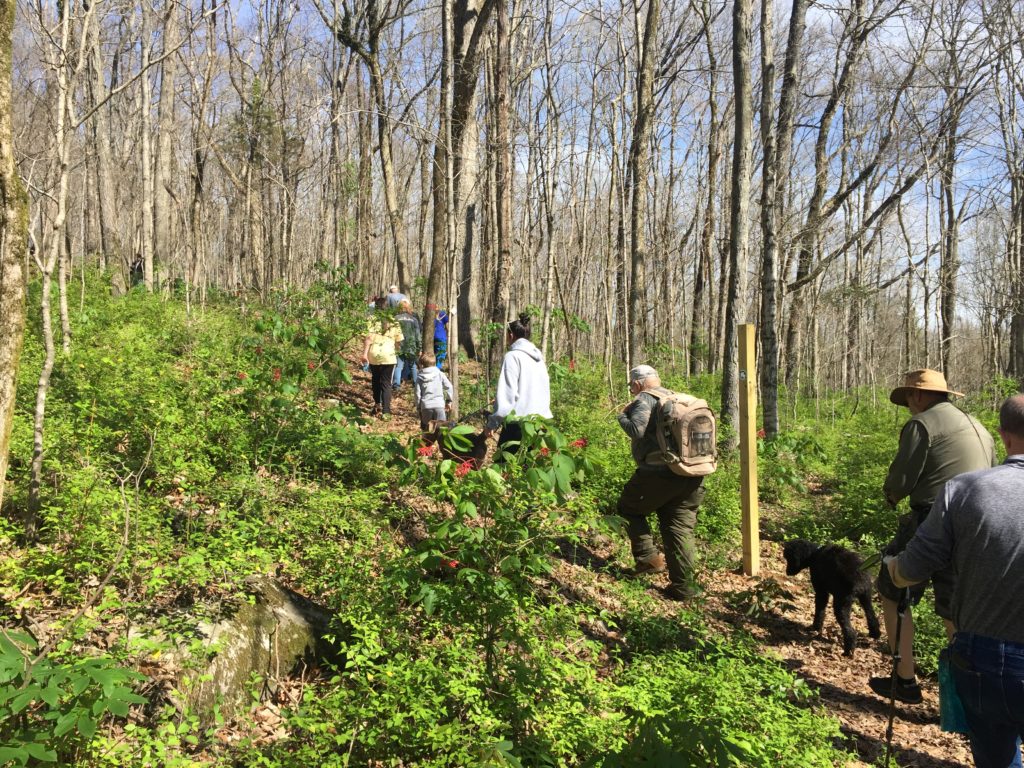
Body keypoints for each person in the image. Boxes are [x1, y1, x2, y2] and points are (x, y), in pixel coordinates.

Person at [882, 394, 1024, 768]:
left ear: (1005, 435)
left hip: (990, 659)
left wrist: (894, 565)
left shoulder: (960, 484)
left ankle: (906, 678)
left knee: (894, 593)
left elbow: (912, 566)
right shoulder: (972, 425)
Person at [868, 368, 996, 704]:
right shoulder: (979, 427)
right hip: (979, 525)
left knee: (892, 584)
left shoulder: (921, 424)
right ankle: (969, 695)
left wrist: (891, 496)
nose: (909, 404)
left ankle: (905, 678)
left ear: (919, 395)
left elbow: (903, 476)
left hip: (933, 519)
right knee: (957, 606)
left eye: (909, 397)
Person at [614, 365, 705, 602]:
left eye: (631, 385)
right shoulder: (674, 396)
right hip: (692, 473)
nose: (631, 389)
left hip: (659, 473)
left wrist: (621, 415)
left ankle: (648, 559)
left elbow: (636, 429)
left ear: (638, 383)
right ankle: (684, 588)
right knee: (678, 528)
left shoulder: (645, 399)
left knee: (628, 508)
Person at [484, 313, 552, 454]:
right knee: (528, 470)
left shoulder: (512, 357)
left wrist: (492, 424)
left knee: (503, 468)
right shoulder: (539, 359)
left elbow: (507, 397)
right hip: (540, 424)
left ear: (510, 335)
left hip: (518, 425)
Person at [359, 301, 403, 418]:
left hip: (374, 355)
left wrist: (364, 354)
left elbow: (367, 340)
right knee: (386, 384)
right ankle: (386, 411)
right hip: (389, 356)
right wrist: (396, 351)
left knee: (376, 380)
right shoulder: (394, 322)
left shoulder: (371, 321)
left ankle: (377, 404)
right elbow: (399, 341)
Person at [414, 353, 454, 431]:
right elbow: (449, 387)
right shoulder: (440, 374)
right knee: (441, 431)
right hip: (439, 405)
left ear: (422, 365)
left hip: (426, 407)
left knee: (427, 432)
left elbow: (417, 394)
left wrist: (419, 407)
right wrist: (449, 401)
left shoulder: (419, 377)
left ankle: (427, 443)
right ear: (435, 363)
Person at [393, 300, 422, 391]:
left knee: (399, 366)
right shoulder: (414, 319)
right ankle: (415, 384)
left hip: (399, 345)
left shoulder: (396, 318)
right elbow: (418, 335)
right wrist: (419, 347)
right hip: (411, 345)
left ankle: (396, 385)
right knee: (413, 366)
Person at [431, 305, 450, 369]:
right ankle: (438, 369)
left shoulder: (430, 316)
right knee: (441, 354)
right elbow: (448, 327)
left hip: (432, 338)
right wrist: (448, 334)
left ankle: (435, 368)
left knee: (435, 353)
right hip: (441, 337)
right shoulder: (443, 314)